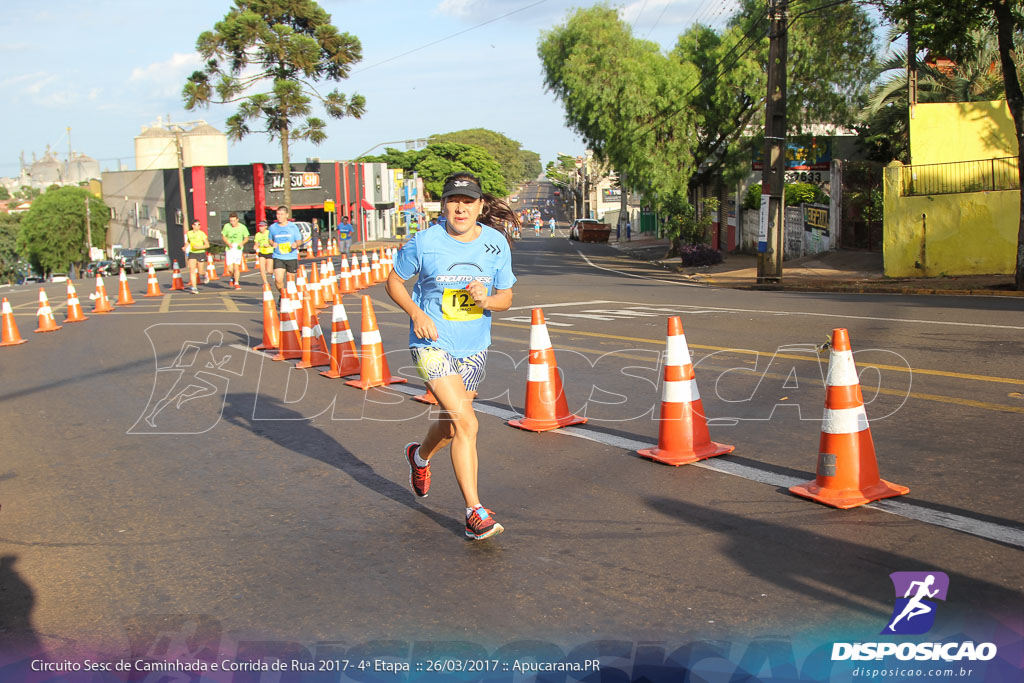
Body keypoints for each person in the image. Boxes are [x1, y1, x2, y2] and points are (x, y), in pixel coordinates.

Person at [386, 172, 519, 541]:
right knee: (468, 424)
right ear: (443, 205)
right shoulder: (425, 242)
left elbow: (506, 298)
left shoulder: (495, 244)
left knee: (450, 425)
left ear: (480, 205)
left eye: (468, 201)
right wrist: (417, 314)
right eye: (453, 200)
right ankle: (474, 512)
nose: (460, 207)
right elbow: (394, 282)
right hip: (431, 344)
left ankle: (419, 456)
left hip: (474, 348)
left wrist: (486, 300)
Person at [268, 206, 302, 302]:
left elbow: (299, 240)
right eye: (278, 214)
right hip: (278, 256)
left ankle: (290, 298)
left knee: (291, 281)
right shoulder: (273, 227)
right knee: (278, 280)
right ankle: (283, 294)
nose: (279, 216)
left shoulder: (292, 227)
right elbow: (270, 239)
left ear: (287, 215)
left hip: (291, 256)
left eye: (281, 214)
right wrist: (272, 243)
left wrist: (296, 244)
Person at [221, 212, 249, 290]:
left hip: (238, 248)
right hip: (229, 248)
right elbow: (223, 236)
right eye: (231, 221)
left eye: (234, 221)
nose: (232, 223)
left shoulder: (242, 227)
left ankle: (236, 283)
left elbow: (246, 237)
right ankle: (232, 277)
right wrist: (228, 243)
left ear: (237, 220)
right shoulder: (227, 226)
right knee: (230, 269)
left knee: (236, 267)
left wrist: (242, 243)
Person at [184, 219, 210, 294]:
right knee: (192, 270)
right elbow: (188, 241)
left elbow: (207, 245)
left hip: (200, 253)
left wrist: (199, 247)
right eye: (196, 225)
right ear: (192, 226)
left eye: (199, 225)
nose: (197, 226)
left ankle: (205, 274)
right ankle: (194, 288)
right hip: (192, 253)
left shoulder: (202, 234)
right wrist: (185, 247)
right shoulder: (189, 233)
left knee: (200, 271)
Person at [252, 220, 274, 285]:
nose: (261, 228)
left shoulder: (269, 233)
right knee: (262, 268)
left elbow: (274, 242)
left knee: (269, 270)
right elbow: (256, 243)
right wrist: (255, 246)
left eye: (262, 226)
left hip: (269, 252)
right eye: (260, 226)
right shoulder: (257, 235)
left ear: (266, 227)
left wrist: (269, 245)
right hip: (262, 252)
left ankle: (273, 273)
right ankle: (265, 282)